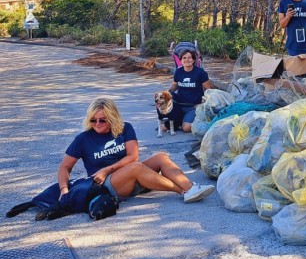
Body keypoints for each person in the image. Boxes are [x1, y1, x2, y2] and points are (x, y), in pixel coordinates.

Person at [57, 97, 215, 203]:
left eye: (102, 120)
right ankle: (182, 191)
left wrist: (107, 169)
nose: (97, 123)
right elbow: (65, 166)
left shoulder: (125, 128)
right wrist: (64, 190)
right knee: (135, 167)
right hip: (106, 184)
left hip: (129, 174)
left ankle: (190, 187)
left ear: (112, 118)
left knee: (160, 156)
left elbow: (133, 156)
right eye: (93, 120)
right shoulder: (83, 139)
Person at [167, 49, 215, 133]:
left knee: (186, 128)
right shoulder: (178, 71)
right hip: (179, 105)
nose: (187, 60)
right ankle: (180, 120)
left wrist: (208, 102)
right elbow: (175, 85)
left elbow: (209, 89)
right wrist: (166, 93)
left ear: (193, 60)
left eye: (189, 58)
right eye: (184, 58)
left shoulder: (200, 73)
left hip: (194, 106)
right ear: (181, 60)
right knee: (164, 127)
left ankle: (188, 120)